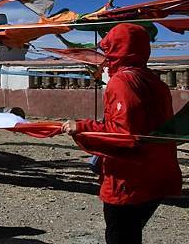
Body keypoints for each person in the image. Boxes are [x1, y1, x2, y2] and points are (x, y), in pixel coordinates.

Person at [61, 23, 181, 244]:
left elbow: (123, 135)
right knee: (132, 232)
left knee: (120, 236)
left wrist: (82, 128)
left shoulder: (121, 82)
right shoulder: (156, 82)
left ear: (117, 49)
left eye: (109, 48)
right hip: (158, 173)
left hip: (129, 180)